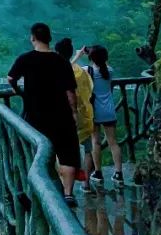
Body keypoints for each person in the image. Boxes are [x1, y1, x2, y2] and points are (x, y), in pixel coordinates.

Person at [7, 23, 81, 206]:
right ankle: (68, 193)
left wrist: (18, 91)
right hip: (61, 113)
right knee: (67, 152)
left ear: (32, 37)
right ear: (49, 38)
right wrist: (74, 112)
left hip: (35, 115)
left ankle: (36, 194)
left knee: (36, 153)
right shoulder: (61, 61)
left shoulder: (25, 59)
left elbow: (10, 78)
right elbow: (70, 92)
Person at [76, 45, 124, 191]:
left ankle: (98, 172)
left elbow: (69, 68)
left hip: (94, 112)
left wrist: (79, 55)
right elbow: (103, 63)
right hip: (109, 111)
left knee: (95, 142)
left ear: (90, 58)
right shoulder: (109, 71)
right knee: (113, 142)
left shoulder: (87, 71)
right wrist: (94, 54)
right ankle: (119, 174)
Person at [55, 38, 95, 184]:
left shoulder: (58, 71)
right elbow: (89, 91)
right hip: (83, 116)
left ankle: (64, 185)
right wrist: (78, 57)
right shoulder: (81, 72)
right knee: (87, 149)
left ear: (56, 53)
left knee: (61, 152)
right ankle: (87, 184)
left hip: (64, 116)